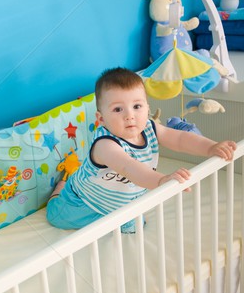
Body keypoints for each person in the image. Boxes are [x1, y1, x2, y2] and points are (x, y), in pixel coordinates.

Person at [46, 67, 237, 233]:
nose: (130, 115)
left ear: (147, 108)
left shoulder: (150, 128)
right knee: (56, 216)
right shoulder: (106, 145)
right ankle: (60, 190)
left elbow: (179, 138)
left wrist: (211, 147)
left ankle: (69, 185)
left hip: (119, 204)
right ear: (101, 118)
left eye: (137, 106)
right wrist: (161, 180)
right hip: (82, 204)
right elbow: (129, 167)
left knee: (134, 226)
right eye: (118, 109)